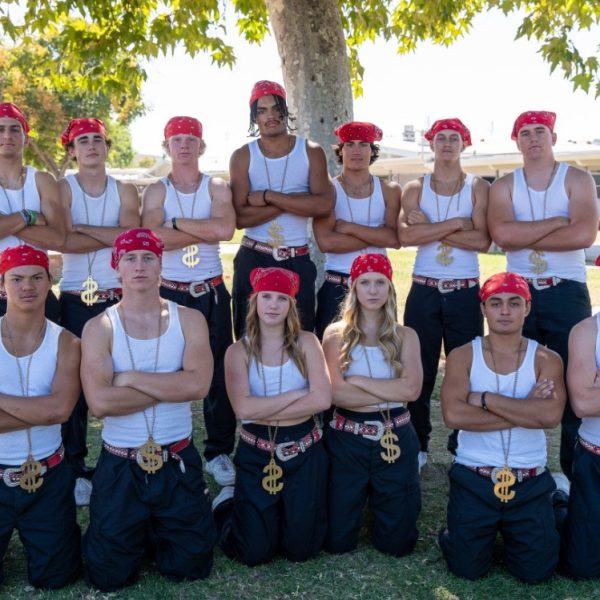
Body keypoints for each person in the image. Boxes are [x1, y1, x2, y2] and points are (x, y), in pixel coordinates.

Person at [81, 228, 216, 591]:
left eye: (148, 257)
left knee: (191, 568)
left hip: (177, 459)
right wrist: (173, 384)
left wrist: (129, 378)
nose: (139, 265)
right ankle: (139, 530)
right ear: (117, 268)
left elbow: (198, 386)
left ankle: (161, 527)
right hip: (120, 464)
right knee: (108, 576)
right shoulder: (100, 327)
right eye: (130, 258)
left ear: (161, 265)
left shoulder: (189, 319)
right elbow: (101, 403)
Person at [488, 110, 598, 479]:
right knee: (515, 373)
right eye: (524, 133)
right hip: (517, 293)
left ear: (553, 136)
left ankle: (570, 471)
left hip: (566, 289)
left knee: (573, 376)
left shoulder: (577, 179)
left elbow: (583, 235)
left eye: (540, 131)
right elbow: (502, 236)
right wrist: (555, 222)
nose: (533, 138)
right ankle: (518, 460)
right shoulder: (505, 185)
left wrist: (523, 232)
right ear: (516, 141)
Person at [439, 272, 565, 582]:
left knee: (536, 573)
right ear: (483, 308)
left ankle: (558, 503)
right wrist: (527, 408)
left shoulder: (546, 358)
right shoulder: (463, 355)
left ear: (528, 307)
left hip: (529, 479)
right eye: (495, 303)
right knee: (466, 570)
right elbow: (454, 416)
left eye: (514, 303)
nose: (505, 311)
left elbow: (549, 417)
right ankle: (457, 531)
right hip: (474, 477)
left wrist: (483, 398)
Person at [142, 116, 237, 488]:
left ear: (202, 146)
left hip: (209, 289)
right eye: (176, 139)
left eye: (191, 139)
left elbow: (225, 230)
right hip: (169, 292)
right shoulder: (156, 191)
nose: (184, 145)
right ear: (166, 146)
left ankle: (217, 451)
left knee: (216, 373)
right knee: (165, 370)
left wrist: (176, 222)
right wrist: (199, 226)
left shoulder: (216, 186)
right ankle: (166, 443)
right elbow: (152, 237)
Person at [214, 266, 330, 566]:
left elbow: (322, 399)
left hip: (304, 450)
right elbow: (244, 410)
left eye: (281, 298)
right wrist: (295, 394)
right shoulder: (238, 351)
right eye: (266, 296)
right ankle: (226, 502)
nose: (273, 305)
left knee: (300, 551)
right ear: (254, 301)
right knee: (253, 553)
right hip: (257, 451)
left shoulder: (307, 342)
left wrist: (264, 405)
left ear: (292, 304)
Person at [398, 118, 490, 469]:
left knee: (464, 370)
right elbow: (406, 237)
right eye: (441, 138)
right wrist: (456, 224)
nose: (447, 143)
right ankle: (418, 444)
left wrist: (432, 229)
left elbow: (482, 240)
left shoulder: (478, 187)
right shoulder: (414, 188)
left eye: (454, 138)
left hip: (464, 291)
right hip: (424, 289)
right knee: (419, 369)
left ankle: (461, 444)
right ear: (431, 144)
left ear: (464, 144)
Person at [58, 117, 140, 503]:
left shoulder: (124, 189)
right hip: (76, 296)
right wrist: (109, 238)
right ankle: (74, 467)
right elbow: (62, 240)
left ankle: (126, 453)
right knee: (74, 385)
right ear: (72, 150)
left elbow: (130, 240)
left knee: (122, 375)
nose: (91, 146)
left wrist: (83, 230)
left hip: (116, 296)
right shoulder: (63, 188)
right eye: (82, 141)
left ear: (107, 146)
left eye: (97, 139)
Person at [322, 253, 422, 556]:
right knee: (337, 543)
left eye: (380, 282)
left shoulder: (406, 336)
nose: (373, 290)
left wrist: (360, 381)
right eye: (365, 282)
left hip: (394, 437)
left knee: (397, 545)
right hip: (346, 439)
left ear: (390, 287)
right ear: (354, 288)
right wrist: (391, 391)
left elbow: (412, 390)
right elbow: (336, 395)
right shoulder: (335, 334)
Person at [0, 244, 81, 589]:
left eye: (36, 277)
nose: (27, 286)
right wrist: (41, 411)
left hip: (48, 475)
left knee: (56, 578)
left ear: (50, 282)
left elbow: (60, 410)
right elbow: (48, 410)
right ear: (2, 285)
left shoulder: (67, 342)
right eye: (16, 279)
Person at [229, 80, 334, 338]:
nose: (270, 116)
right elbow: (241, 218)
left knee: (301, 337)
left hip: (296, 256)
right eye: (262, 110)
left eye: (276, 108)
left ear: (285, 110)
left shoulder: (310, 151)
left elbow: (322, 205)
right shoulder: (243, 156)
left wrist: (268, 197)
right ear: (254, 117)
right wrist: (296, 201)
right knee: (248, 337)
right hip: (254, 253)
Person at [313, 122, 400, 340]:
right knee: (332, 357)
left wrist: (349, 228)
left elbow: (394, 238)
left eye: (363, 144)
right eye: (349, 144)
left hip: (378, 286)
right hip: (337, 283)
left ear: (373, 150)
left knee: (383, 351)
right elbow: (327, 243)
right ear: (340, 150)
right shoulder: (327, 190)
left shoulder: (389, 190)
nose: (356, 151)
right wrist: (376, 236)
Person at [0, 102, 66, 320]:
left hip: (38, 292)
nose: (7, 135)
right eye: (0, 129)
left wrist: (6, 224)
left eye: (14, 129)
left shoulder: (43, 180)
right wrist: (28, 216)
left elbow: (57, 238)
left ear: (25, 138)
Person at [560, 314, 600, 578]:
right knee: (581, 568)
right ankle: (559, 501)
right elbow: (584, 403)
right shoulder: (587, 330)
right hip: (595, 458)